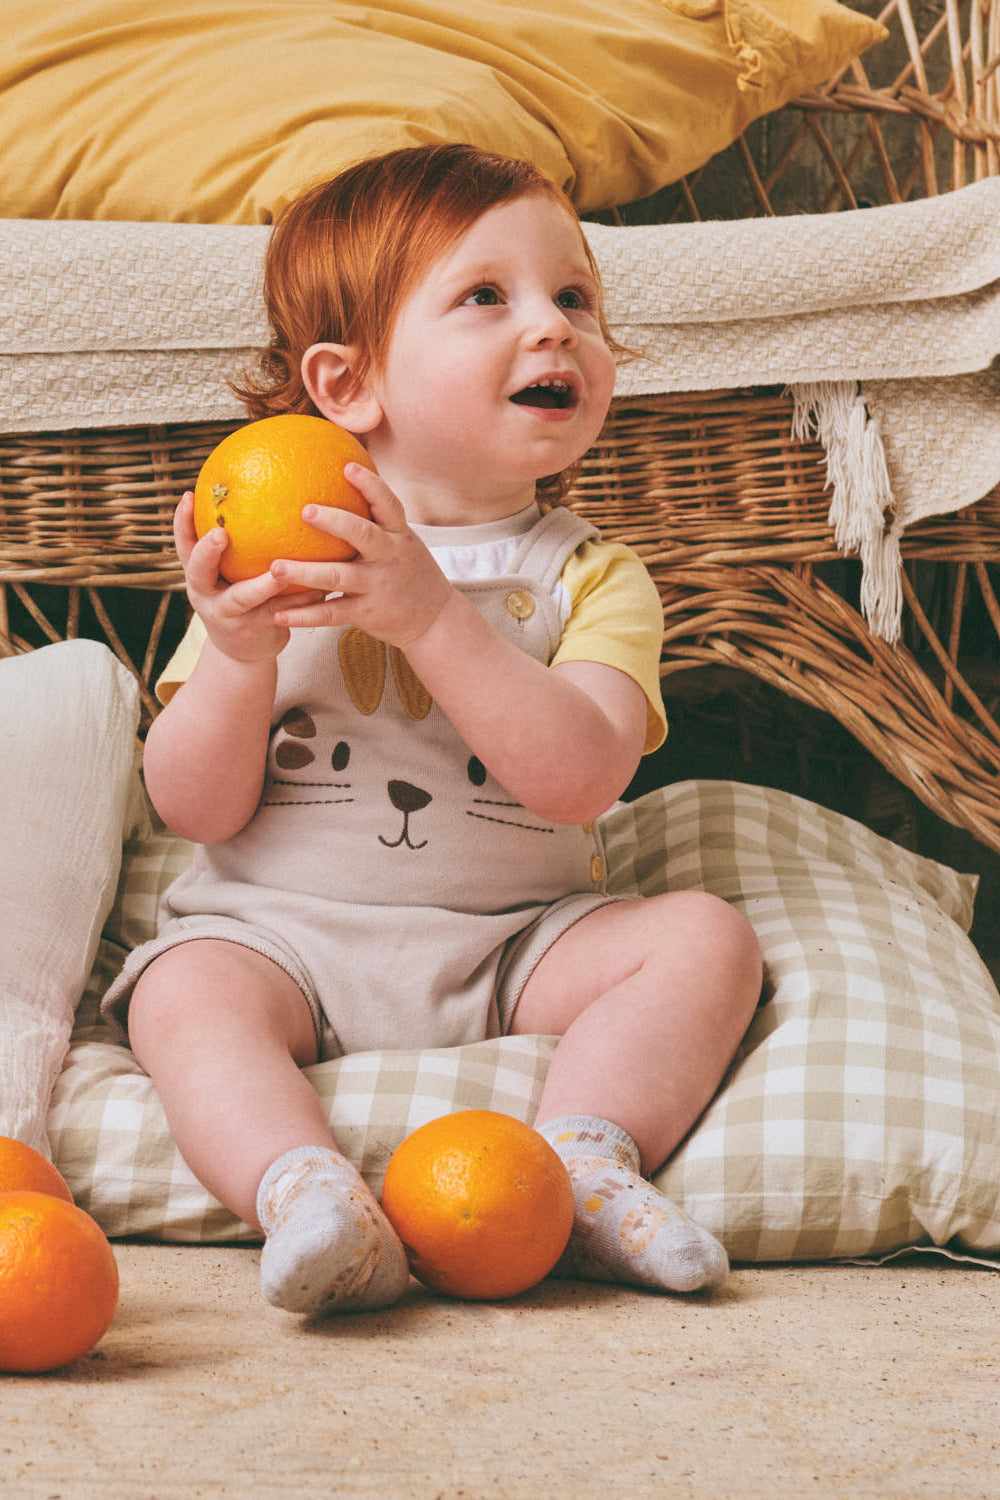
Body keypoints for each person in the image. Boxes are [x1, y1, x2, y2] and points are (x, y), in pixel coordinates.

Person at [102, 143, 762, 1316]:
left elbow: (579, 780)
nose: (553, 328)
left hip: (515, 939)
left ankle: (581, 1168)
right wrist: (240, 658)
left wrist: (430, 616)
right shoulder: (268, 560)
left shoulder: (592, 578)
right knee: (179, 992)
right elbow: (191, 809)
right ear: (350, 387)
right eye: (485, 298)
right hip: (283, 939)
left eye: (575, 298)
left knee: (705, 939)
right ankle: (306, 1194)